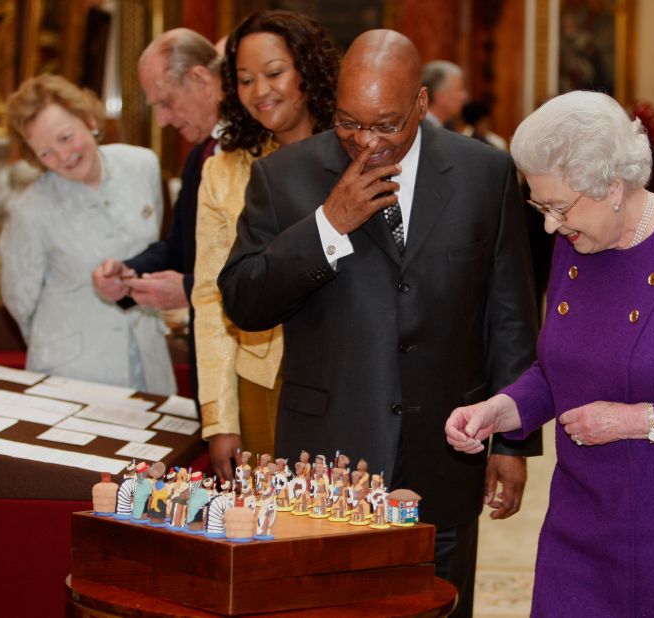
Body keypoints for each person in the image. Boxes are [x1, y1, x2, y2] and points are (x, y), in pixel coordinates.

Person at [218, 29, 539, 616]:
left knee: (439, 604)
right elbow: (243, 300)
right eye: (348, 122)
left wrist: (513, 438)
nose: (366, 144)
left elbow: (510, 314)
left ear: (421, 103)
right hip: (327, 460)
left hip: (447, 451)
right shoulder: (283, 177)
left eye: (386, 125)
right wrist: (326, 227)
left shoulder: (484, 173)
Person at [444, 90, 654, 617]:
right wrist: (500, 410)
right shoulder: (576, 245)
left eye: (558, 207)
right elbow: (560, 369)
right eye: (540, 206)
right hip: (577, 524)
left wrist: (635, 420)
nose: (551, 225)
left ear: (614, 186)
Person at [193, 10, 339, 484]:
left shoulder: (356, 154)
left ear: (307, 70)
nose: (261, 91)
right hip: (262, 376)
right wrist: (220, 420)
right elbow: (211, 297)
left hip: (349, 375)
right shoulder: (224, 172)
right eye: (245, 80)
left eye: (274, 73)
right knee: (270, 533)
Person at [0, 74, 175, 395]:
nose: (63, 157)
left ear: (89, 119)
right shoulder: (29, 209)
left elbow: (155, 249)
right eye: (45, 153)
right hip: (73, 370)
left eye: (65, 138)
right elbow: (20, 301)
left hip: (149, 355)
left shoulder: (142, 165)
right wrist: (56, 341)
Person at [91, 28, 223, 402]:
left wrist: (186, 290)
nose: (163, 120)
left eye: (166, 102)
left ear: (200, 77)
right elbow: (180, 248)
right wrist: (130, 272)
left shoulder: (264, 152)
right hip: (208, 366)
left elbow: (268, 271)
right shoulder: (199, 157)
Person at [421, 60, 467, 130]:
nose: (464, 96)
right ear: (440, 96)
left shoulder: (443, 127)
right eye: (459, 89)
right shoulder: (424, 131)